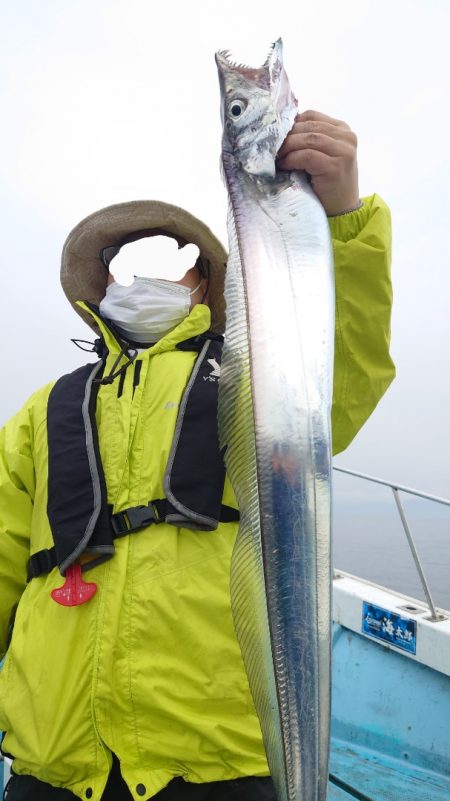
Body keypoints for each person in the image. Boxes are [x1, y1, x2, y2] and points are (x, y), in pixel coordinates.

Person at [0, 111, 395, 801]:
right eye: (125, 269)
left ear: (209, 282)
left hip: (217, 753)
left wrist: (343, 222)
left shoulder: (253, 379)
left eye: (178, 262)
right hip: (56, 758)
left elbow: (339, 369)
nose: (148, 281)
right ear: (99, 286)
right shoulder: (45, 409)